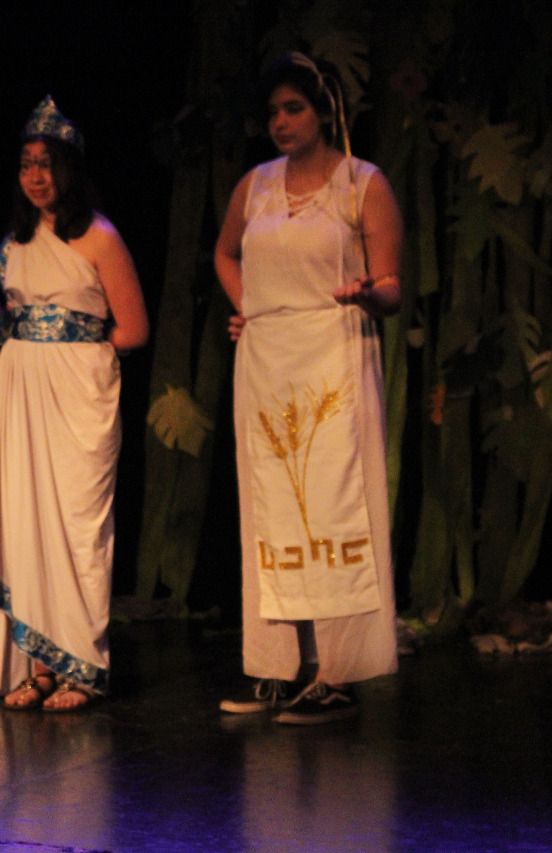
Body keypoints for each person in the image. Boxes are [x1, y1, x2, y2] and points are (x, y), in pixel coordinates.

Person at [213, 52, 403, 724]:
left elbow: (391, 285)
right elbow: (225, 252)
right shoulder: (255, 186)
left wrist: (367, 294)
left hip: (335, 354)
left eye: (293, 109)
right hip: (268, 361)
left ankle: (336, 672)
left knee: (332, 505)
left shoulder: (362, 183)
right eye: (273, 112)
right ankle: (276, 666)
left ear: (324, 111)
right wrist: (252, 307)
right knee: (271, 510)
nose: (281, 122)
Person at [0, 96, 149, 712]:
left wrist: (74, 349)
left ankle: (83, 668)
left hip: (78, 390)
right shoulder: (14, 245)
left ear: (69, 169)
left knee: (76, 525)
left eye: (46, 164)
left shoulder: (100, 238)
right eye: (26, 165)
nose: (35, 176)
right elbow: (13, 329)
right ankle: (40, 666)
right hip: (21, 390)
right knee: (28, 522)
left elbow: (134, 329)